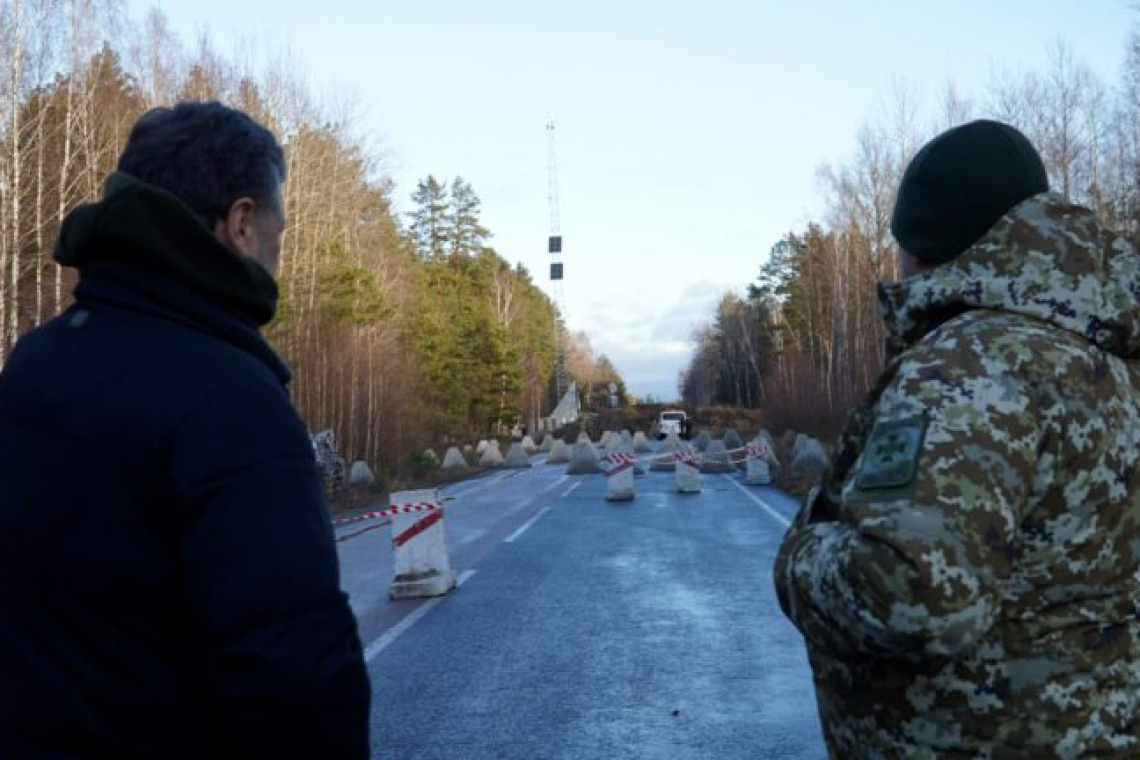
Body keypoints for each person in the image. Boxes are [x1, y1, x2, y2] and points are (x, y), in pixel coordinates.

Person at [0, 102, 370, 758]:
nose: (278, 260)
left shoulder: (32, 364)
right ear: (242, 222)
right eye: (279, 235)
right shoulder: (233, 403)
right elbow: (295, 680)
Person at [774, 120, 1140, 757]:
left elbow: (912, 592)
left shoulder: (966, 366)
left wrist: (799, 555)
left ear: (921, 242)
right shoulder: (1102, 355)